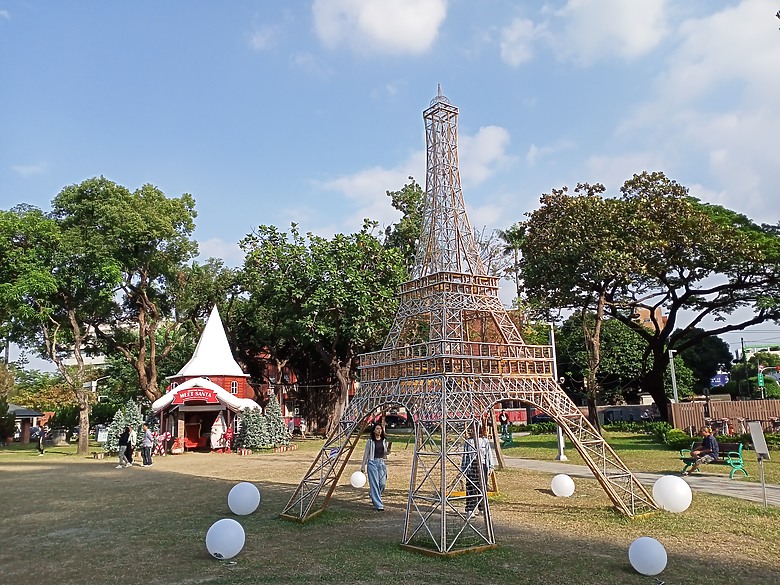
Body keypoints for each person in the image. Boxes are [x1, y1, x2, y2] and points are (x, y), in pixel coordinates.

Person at [462, 424, 495, 516]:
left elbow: (489, 455)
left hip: (482, 465)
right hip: (471, 466)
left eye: (475, 429)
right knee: (471, 487)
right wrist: (463, 469)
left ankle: (482, 509)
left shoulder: (485, 441)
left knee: (482, 487)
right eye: (472, 430)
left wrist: (491, 467)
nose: (473, 431)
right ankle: (470, 509)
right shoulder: (469, 442)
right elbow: (465, 456)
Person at [361, 423, 389, 511]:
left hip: (381, 463)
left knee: (382, 483)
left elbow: (385, 453)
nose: (379, 430)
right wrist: (363, 466)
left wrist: (388, 451)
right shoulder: (370, 441)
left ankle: (373, 495)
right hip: (372, 463)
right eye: (377, 429)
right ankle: (379, 505)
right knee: (374, 484)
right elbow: (366, 454)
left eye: (380, 429)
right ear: (374, 430)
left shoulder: (384, 441)